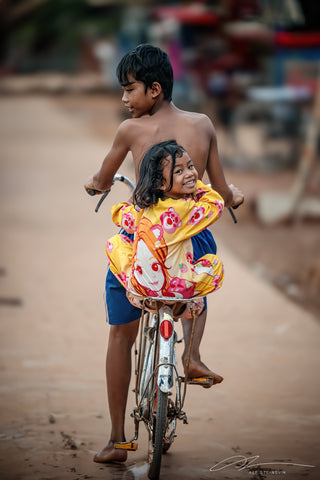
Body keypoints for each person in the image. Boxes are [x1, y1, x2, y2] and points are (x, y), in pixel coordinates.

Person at [84, 44, 244, 463]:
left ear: (153, 90)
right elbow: (221, 190)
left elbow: (103, 178)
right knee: (197, 278)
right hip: (189, 241)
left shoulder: (129, 131)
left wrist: (95, 184)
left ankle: (118, 439)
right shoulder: (203, 124)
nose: (124, 99)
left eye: (129, 90)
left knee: (121, 334)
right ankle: (191, 356)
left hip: (143, 244)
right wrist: (235, 197)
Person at [106, 140, 225, 316]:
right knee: (215, 265)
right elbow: (216, 204)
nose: (190, 173)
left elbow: (119, 216)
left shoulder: (143, 209)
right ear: (161, 184)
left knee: (115, 242)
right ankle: (183, 309)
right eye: (179, 171)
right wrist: (197, 185)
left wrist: (129, 205)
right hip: (178, 290)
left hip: (142, 287)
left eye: (190, 166)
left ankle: (135, 293)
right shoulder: (186, 209)